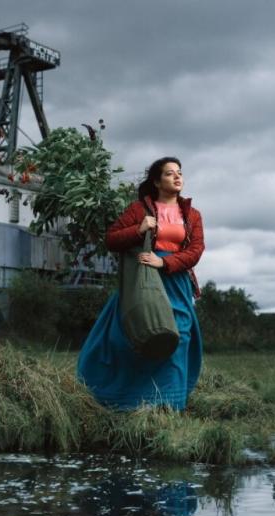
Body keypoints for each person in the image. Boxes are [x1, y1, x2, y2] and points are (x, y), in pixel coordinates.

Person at [77, 157, 204, 410]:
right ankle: (126, 401)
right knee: (126, 337)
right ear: (157, 181)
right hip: (144, 282)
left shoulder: (192, 215)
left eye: (179, 173)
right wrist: (138, 229)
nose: (178, 177)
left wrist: (165, 263)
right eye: (170, 174)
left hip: (176, 282)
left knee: (179, 337)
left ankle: (169, 406)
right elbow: (112, 239)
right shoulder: (138, 210)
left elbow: (197, 250)